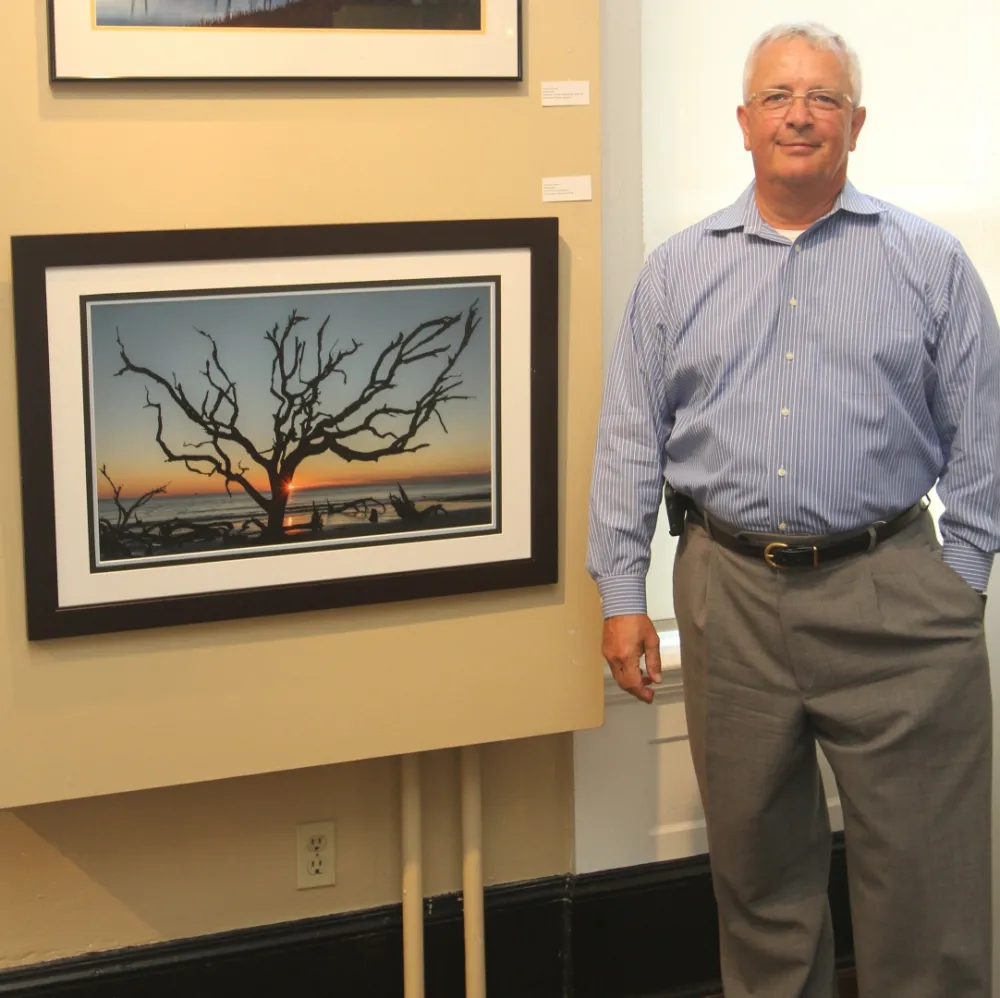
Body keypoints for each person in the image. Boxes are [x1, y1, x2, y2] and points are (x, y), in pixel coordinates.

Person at [587, 21, 1000, 998]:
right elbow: (630, 440)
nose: (799, 115)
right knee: (758, 877)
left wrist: (956, 582)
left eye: (821, 98)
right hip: (729, 597)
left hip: (895, 593)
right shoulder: (676, 271)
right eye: (778, 96)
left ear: (856, 121)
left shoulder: (928, 262)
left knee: (928, 886)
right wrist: (618, 589)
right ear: (743, 121)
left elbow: (982, 444)